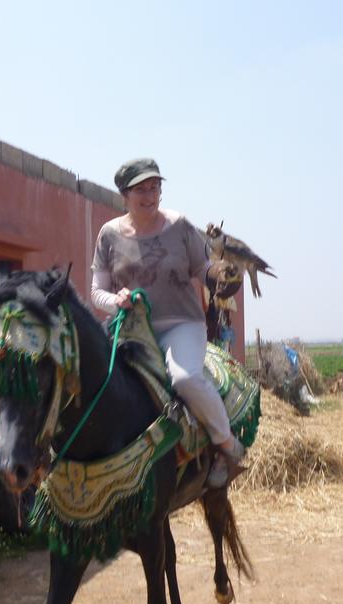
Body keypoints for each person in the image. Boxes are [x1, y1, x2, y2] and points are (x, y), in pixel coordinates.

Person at [91, 157, 244, 488]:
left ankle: (226, 444)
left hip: (180, 324)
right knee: (97, 384)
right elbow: (97, 291)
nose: (150, 196)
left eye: (155, 187)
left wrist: (218, 276)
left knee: (185, 377)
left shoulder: (179, 226)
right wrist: (115, 300)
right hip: (131, 327)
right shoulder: (109, 235)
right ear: (124, 195)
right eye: (141, 190)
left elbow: (203, 269)